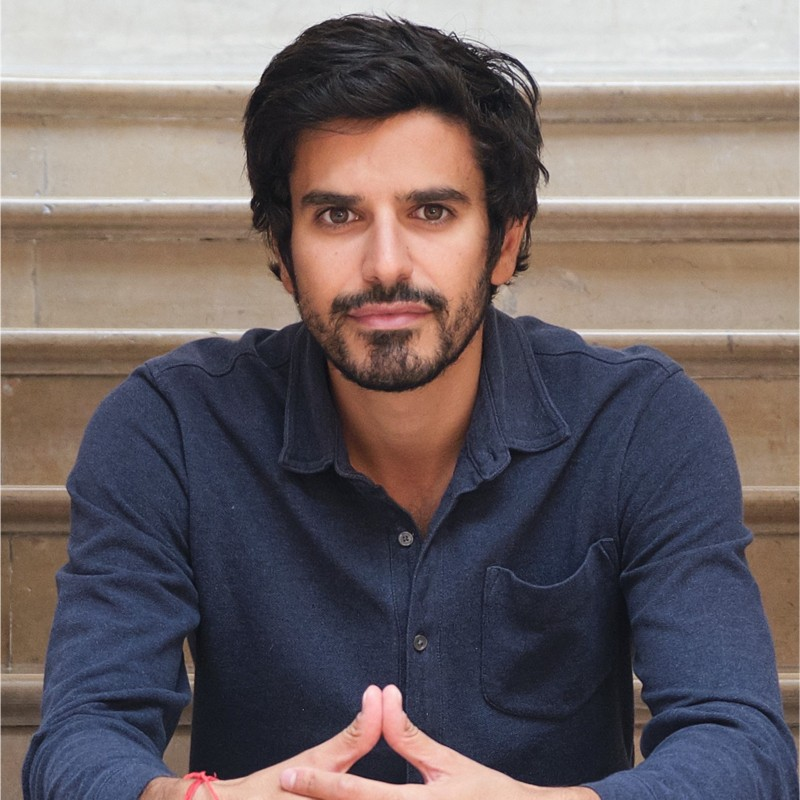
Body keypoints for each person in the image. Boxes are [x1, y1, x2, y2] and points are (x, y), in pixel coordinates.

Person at [22, 14, 797, 800]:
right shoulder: (169, 429)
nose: (385, 265)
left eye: (432, 212)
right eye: (337, 215)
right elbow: (81, 739)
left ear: (503, 242)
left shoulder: (640, 425)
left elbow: (741, 745)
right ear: (282, 253)